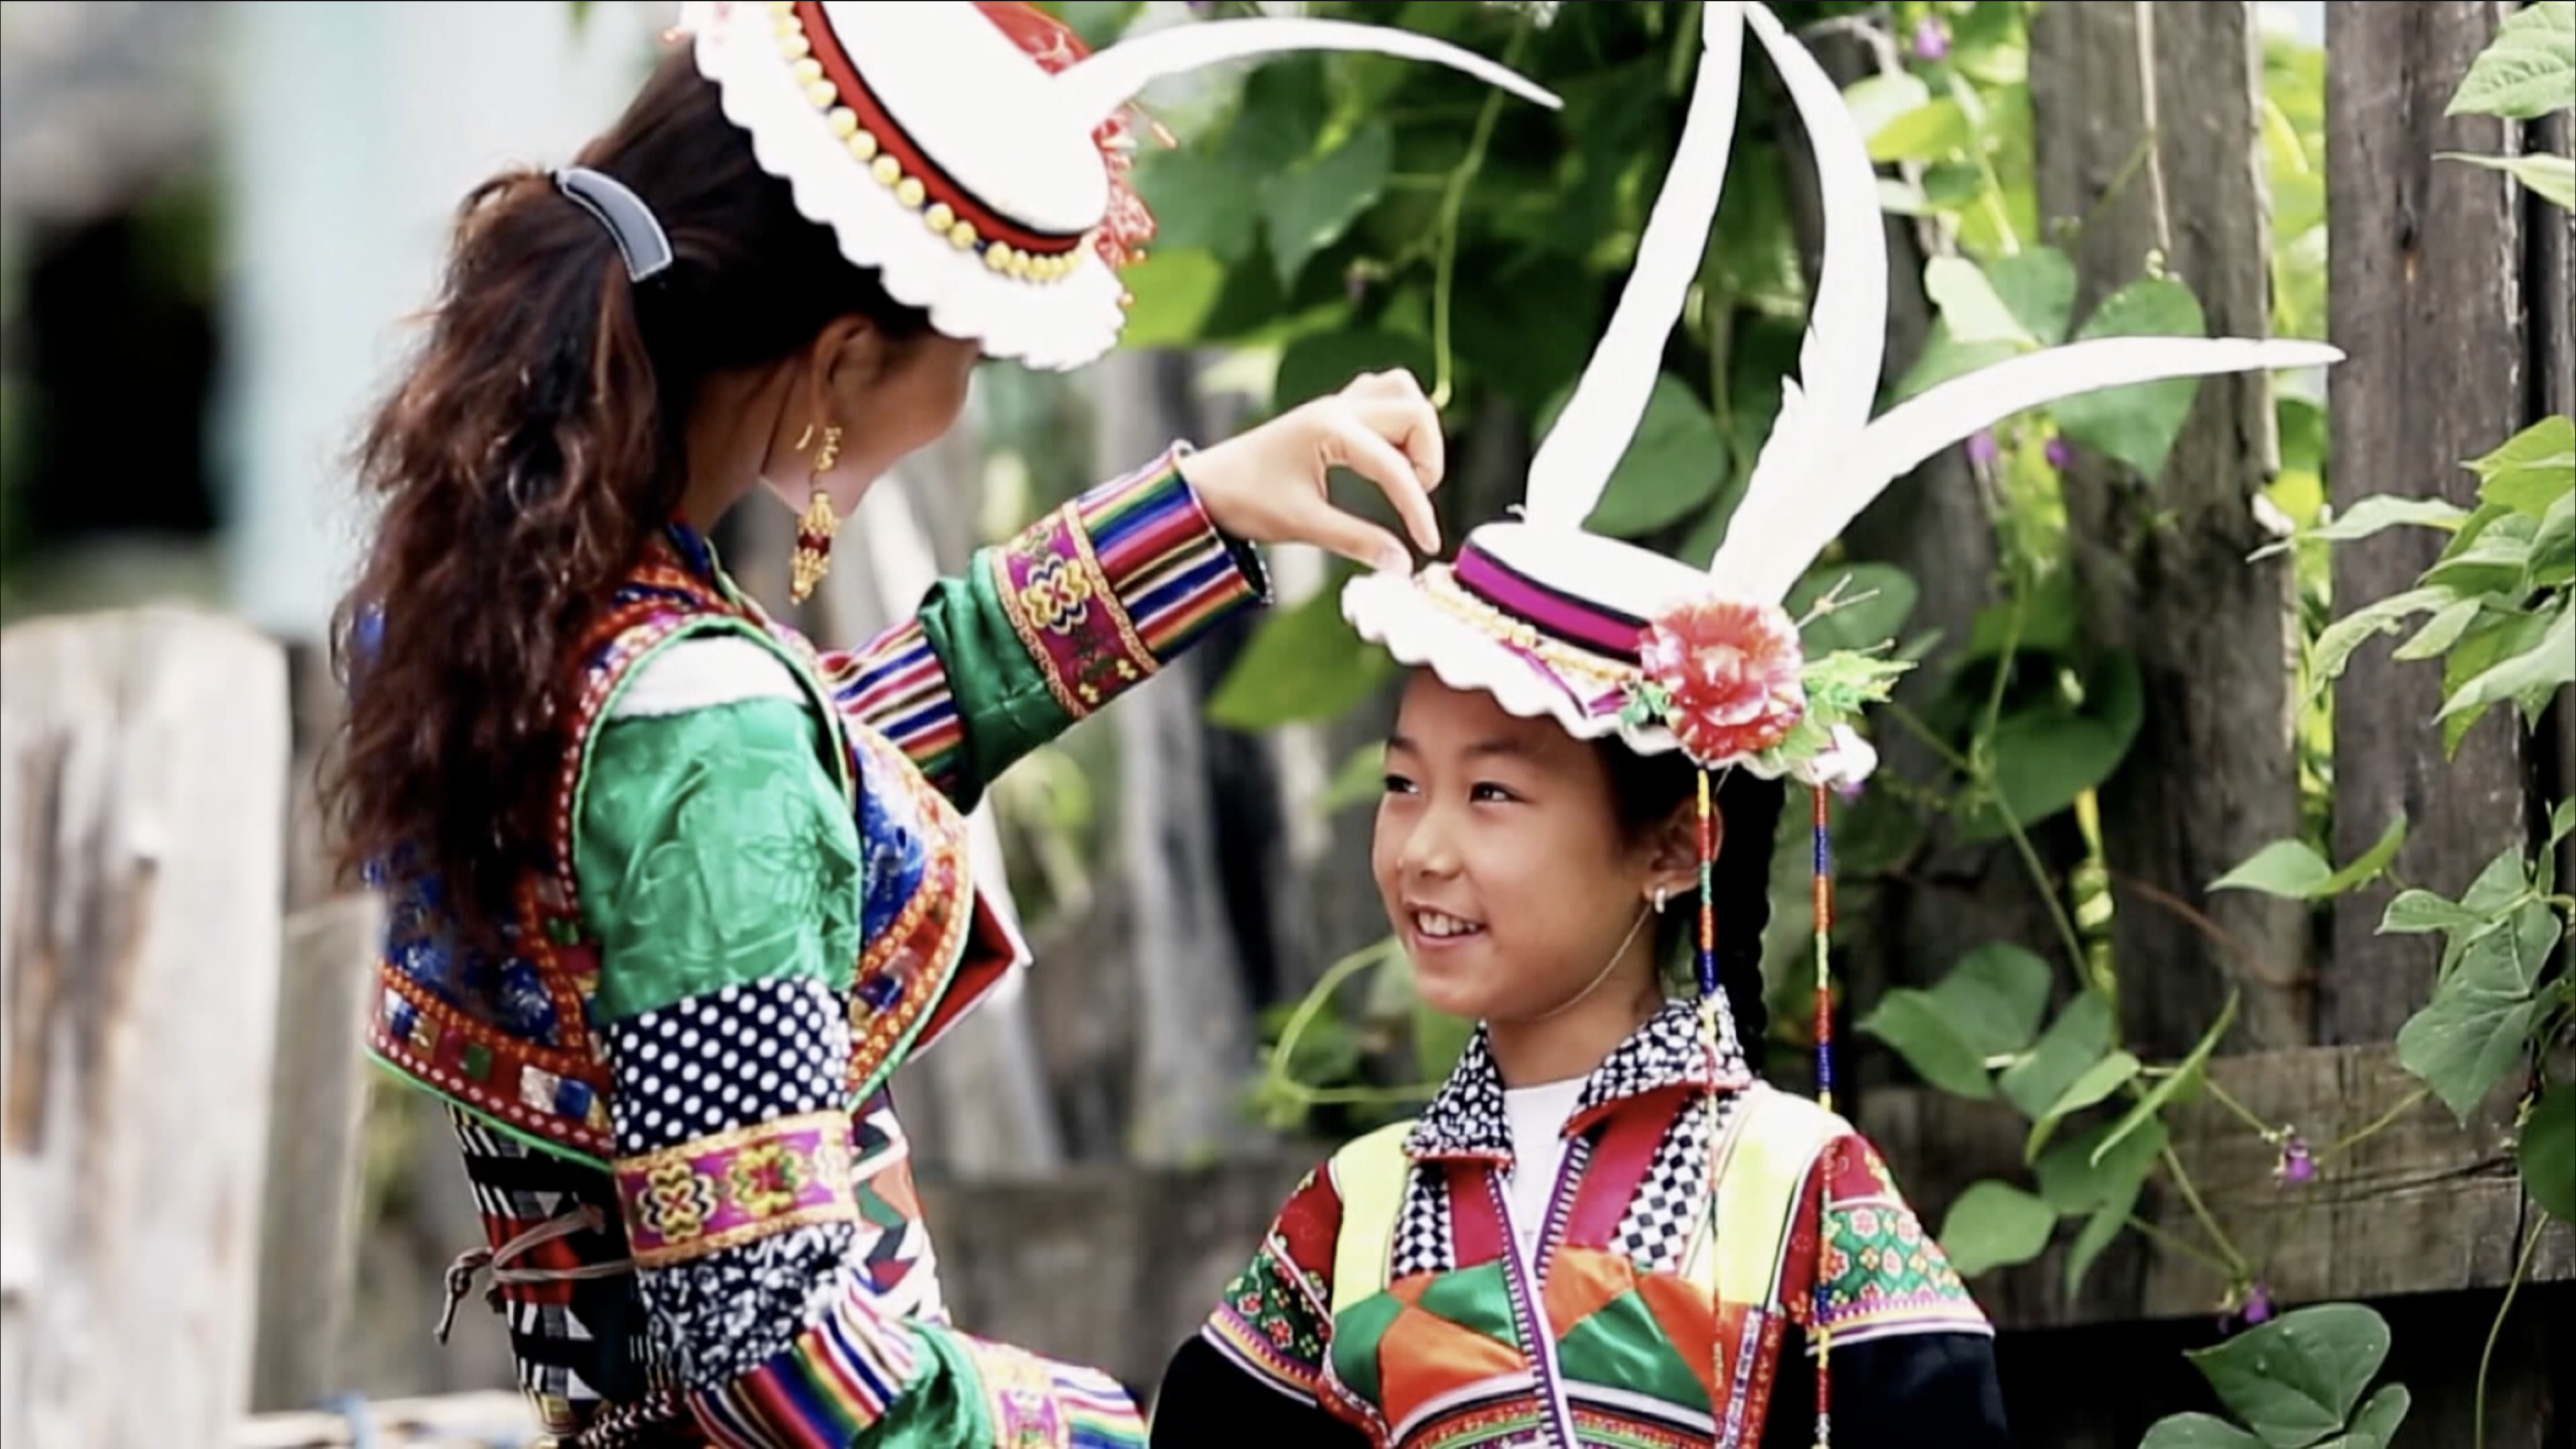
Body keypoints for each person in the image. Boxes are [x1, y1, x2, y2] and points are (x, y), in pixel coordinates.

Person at [328, 3, 1558, 1445]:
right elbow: (772, 1357)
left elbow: (809, 771)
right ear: (847, 361)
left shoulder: (519, 624)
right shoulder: (697, 732)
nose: (963, 400)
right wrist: (1116, 1432)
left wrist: (1202, 510)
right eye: (966, 358)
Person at [1146, 4, 2342, 1445]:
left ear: (1669, 842)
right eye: (1403, 785)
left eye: (1494, 796)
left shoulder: (1793, 1190)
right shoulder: (1354, 1209)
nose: (1421, 848)